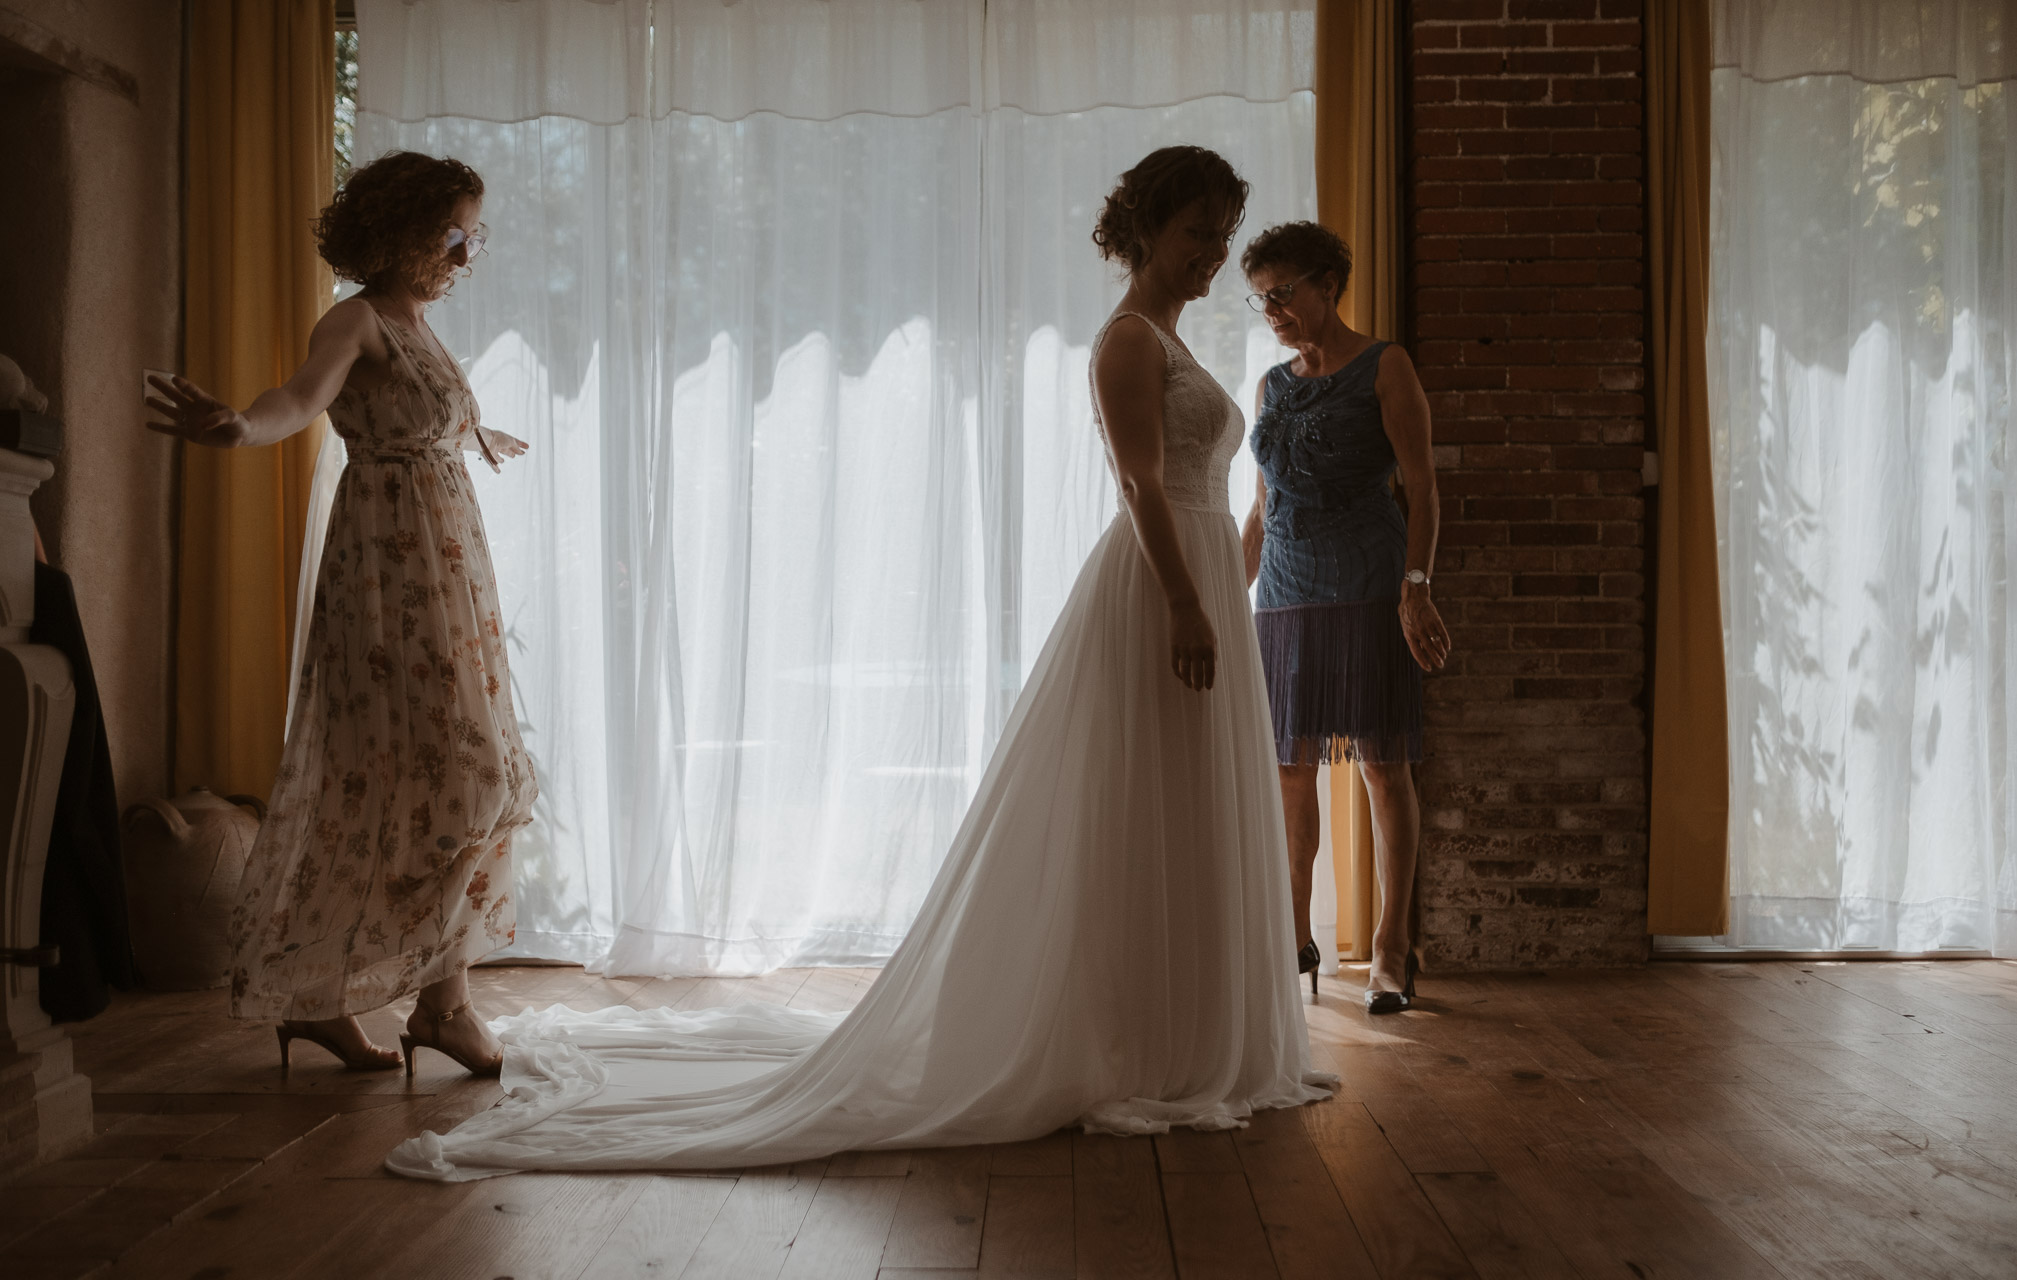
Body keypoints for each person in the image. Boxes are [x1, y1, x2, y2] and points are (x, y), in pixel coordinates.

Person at [382, 145, 1332, 1180]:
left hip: (1198, 586)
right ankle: (1130, 1039)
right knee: (1141, 805)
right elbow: (1142, 483)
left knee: (1188, 806)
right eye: (1199, 232)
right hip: (1161, 589)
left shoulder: (1175, 337)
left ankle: (1191, 1034)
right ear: (1149, 228)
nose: (1213, 254)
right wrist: (1188, 604)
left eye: (1222, 235)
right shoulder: (1124, 341)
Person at [146, 151, 534, 1075]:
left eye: (472, 234)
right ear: (404, 232)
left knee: (443, 776)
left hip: (448, 576)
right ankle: (435, 1008)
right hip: (391, 580)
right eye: (455, 233)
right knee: (451, 773)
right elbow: (302, 397)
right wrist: (242, 426)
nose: (466, 252)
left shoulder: (423, 329)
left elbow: (413, 411)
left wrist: (472, 433)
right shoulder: (355, 318)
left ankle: (342, 996)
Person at [1238, 221, 1448, 1014]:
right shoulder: (1270, 384)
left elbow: (1424, 488)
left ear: (1329, 284)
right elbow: (1262, 507)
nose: (1273, 310)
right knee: (1289, 772)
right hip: (1284, 596)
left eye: (1284, 292)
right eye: (1261, 299)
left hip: (1368, 587)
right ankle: (1295, 940)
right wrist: (1231, 590)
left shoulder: (1385, 366)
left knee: (1381, 767)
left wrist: (1416, 583)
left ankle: (1393, 949)